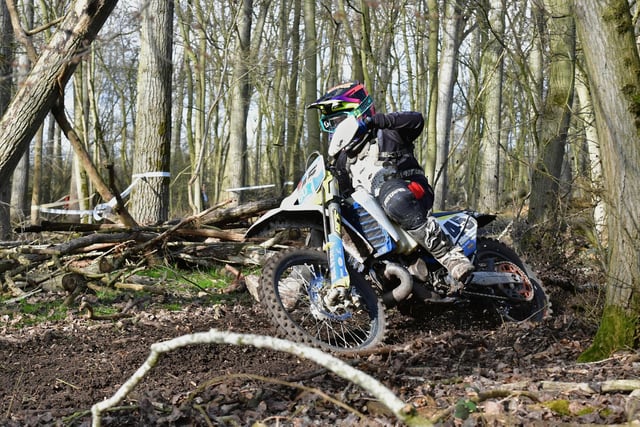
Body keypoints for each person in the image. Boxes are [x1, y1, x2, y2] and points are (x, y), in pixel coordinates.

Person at [307, 81, 474, 285]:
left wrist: (376, 121)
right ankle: (300, 281)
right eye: (332, 124)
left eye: (340, 121)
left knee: (388, 190)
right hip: (374, 211)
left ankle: (450, 255)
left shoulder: (386, 132)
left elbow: (416, 121)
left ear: (357, 113)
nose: (336, 128)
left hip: (409, 190)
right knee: (326, 216)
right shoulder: (342, 160)